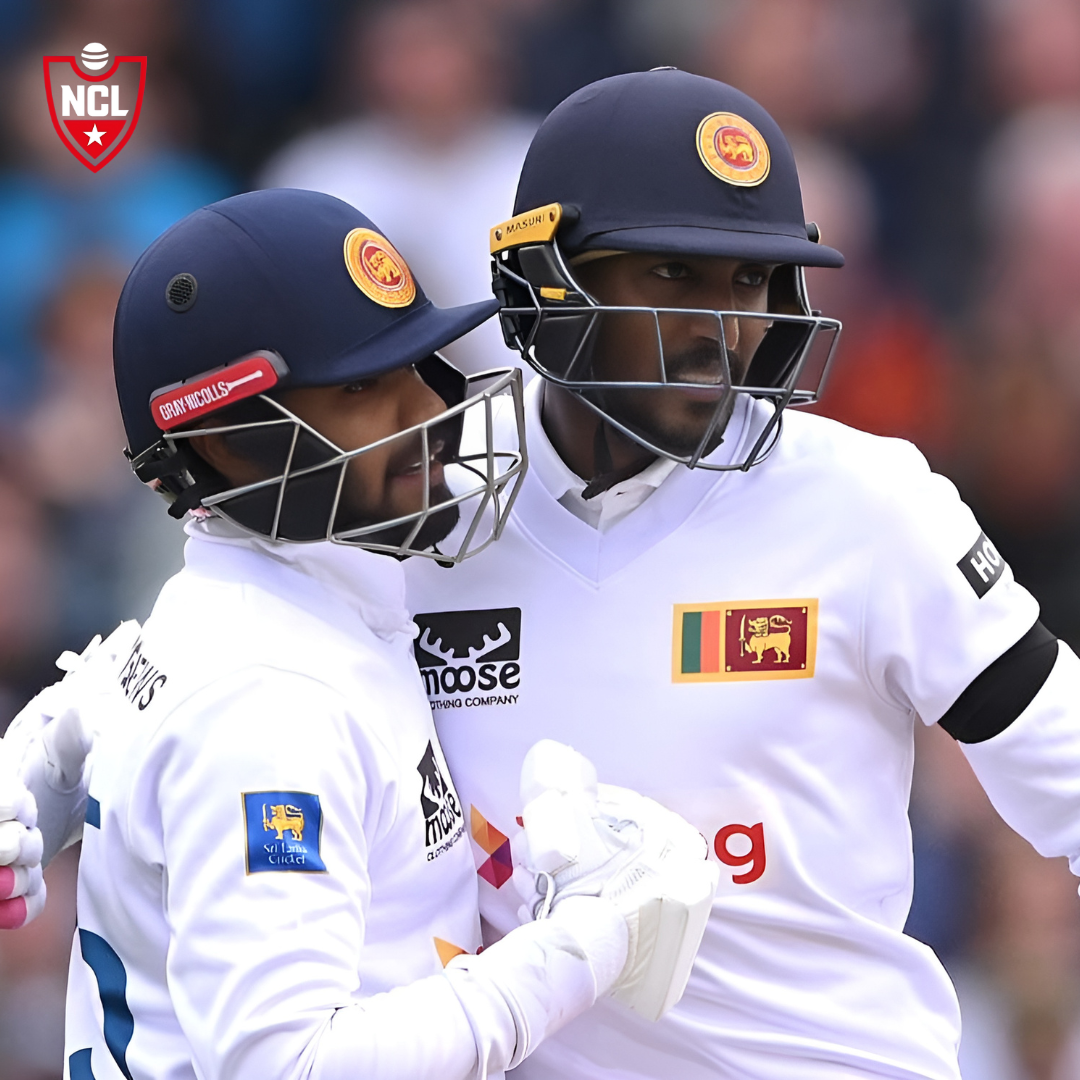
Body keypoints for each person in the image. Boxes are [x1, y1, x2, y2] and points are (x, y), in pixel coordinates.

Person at [398, 71, 1080, 1080]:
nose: (726, 327)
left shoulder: (867, 502)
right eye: (675, 276)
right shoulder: (415, 508)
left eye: (752, 281)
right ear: (544, 280)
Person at [0, 186, 716, 1080]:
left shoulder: (263, 609)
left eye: (421, 365)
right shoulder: (271, 702)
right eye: (363, 388)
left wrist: (29, 765)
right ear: (225, 440)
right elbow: (290, 1066)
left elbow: (99, 697)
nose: (426, 413)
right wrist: (583, 941)